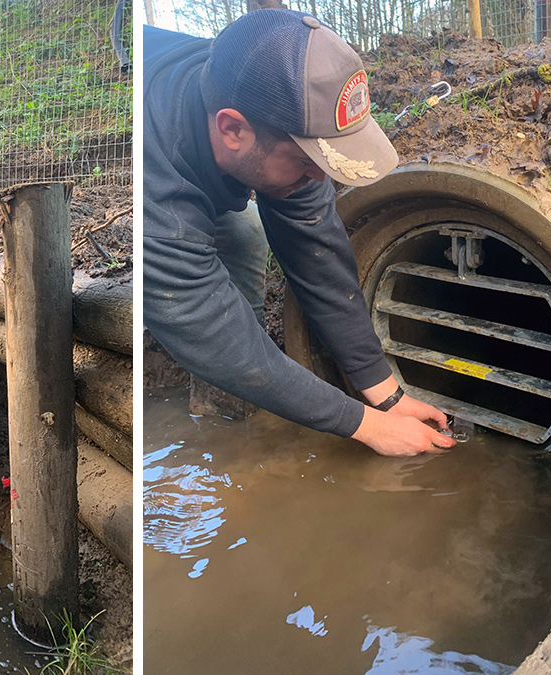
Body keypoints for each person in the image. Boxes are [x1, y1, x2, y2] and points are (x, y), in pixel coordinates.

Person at [143, 9, 457, 457]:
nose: (319, 179)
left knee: (246, 233)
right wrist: (365, 425)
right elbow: (205, 321)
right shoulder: (158, 199)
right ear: (232, 129)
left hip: (204, 160)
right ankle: (220, 426)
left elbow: (318, 255)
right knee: (225, 266)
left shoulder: (262, 104)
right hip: (154, 173)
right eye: (309, 162)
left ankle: (226, 401)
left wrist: (388, 397)